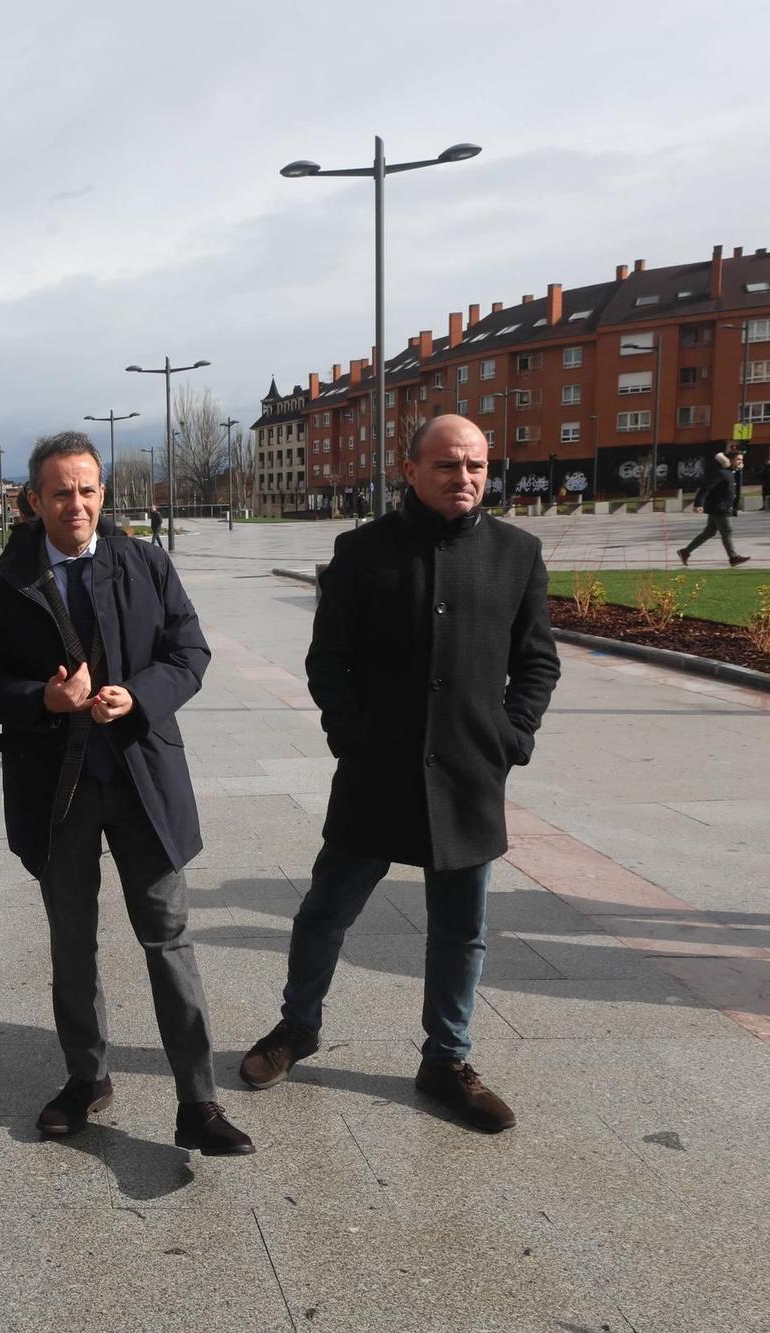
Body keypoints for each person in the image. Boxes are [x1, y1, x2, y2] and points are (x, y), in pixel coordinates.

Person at [238, 415, 560, 1133]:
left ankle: (446, 1058)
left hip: (470, 777)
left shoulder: (517, 553)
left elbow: (537, 659)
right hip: (377, 771)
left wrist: (512, 736)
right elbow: (329, 660)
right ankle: (298, 1026)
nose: (465, 478)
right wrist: (350, 734)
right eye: (448, 465)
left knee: (461, 929)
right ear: (409, 470)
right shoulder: (360, 553)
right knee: (326, 909)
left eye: (476, 465)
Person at [0, 431, 253, 1160]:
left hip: (142, 781)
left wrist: (140, 695)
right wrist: (46, 701)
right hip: (56, 790)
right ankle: (86, 1078)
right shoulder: (6, 583)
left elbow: (189, 652)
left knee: (167, 936)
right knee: (72, 941)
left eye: (88, 488)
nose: (77, 503)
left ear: (103, 493)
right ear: (34, 500)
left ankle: (198, 1100)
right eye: (61, 491)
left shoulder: (145, 564)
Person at [680, 448, 750, 567]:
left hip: (721, 507)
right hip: (719, 508)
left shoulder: (732, 473)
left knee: (709, 532)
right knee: (727, 531)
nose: (740, 462)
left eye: (741, 460)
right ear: (729, 460)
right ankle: (733, 557)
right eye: (738, 459)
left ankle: (685, 552)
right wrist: (698, 504)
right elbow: (705, 488)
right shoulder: (722, 473)